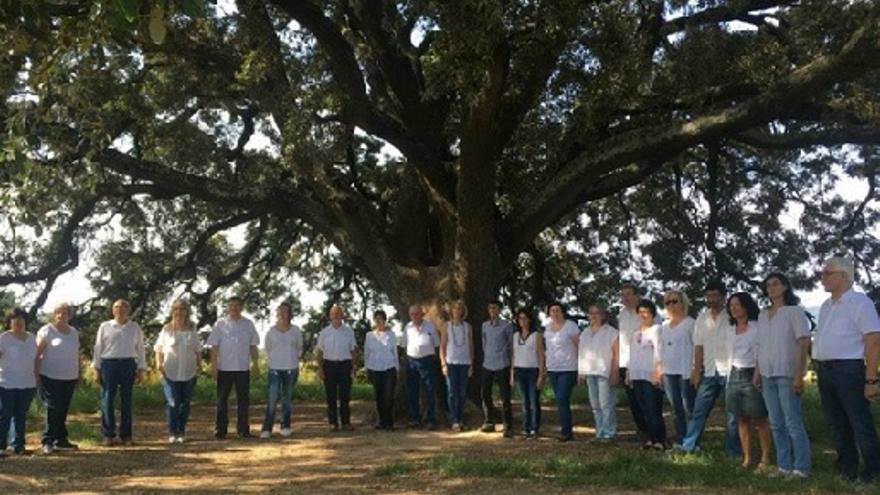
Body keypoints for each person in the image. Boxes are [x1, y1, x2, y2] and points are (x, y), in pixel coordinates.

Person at [813, 256, 880, 483]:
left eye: (827, 273)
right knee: (836, 423)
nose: (822, 277)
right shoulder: (825, 306)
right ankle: (846, 468)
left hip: (849, 370)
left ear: (844, 276)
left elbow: (872, 340)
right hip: (825, 371)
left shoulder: (860, 303)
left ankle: (872, 470)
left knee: (859, 422)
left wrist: (871, 380)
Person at [754, 272, 812, 477]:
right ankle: (783, 465)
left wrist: (799, 375)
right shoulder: (762, 314)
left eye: (776, 284)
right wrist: (757, 372)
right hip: (767, 374)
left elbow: (803, 342)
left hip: (787, 373)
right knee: (776, 422)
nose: (772, 288)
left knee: (792, 421)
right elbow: (759, 345)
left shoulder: (794, 312)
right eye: (768, 285)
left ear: (785, 287)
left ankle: (802, 467)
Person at [680, 281, 740, 456]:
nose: (712, 300)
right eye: (709, 296)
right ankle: (689, 446)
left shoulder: (732, 317)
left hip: (730, 370)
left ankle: (733, 451)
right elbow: (698, 346)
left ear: (723, 297)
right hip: (709, 371)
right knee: (699, 411)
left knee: (732, 415)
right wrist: (696, 370)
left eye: (715, 296)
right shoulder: (702, 318)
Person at [726, 292, 771, 470]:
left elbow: (761, 351)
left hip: (751, 372)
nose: (734, 308)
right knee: (741, 418)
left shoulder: (756, 327)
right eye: (731, 306)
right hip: (734, 374)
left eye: (737, 304)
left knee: (760, 418)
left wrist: (757, 374)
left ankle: (765, 458)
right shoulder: (730, 330)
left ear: (746, 306)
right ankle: (747, 457)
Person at [92, 299, 146, 446]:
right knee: (107, 399)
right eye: (116, 307)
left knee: (126, 401)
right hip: (108, 364)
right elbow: (98, 348)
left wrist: (141, 368)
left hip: (128, 364)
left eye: (123, 307)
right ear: (112, 310)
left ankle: (126, 435)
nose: (119, 310)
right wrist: (96, 369)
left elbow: (140, 348)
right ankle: (108, 434)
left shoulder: (134, 327)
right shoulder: (105, 326)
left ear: (128, 310)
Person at [208, 296, 259, 439]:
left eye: (237, 305)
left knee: (243, 400)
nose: (234, 308)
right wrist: (214, 365)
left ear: (241, 307)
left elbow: (253, 345)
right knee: (221, 400)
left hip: (243, 368)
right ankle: (220, 431)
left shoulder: (248, 324)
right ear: (227, 308)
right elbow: (214, 347)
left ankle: (243, 430)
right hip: (224, 368)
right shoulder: (220, 324)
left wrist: (255, 363)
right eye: (231, 306)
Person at [35, 303, 80, 454]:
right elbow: (37, 353)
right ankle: (47, 440)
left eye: (65, 313)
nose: (61, 315)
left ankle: (61, 439)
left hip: (69, 376)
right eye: (58, 313)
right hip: (49, 376)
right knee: (53, 408)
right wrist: (35, 372)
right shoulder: (47, 330)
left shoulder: (73, 332)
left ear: (69, 315)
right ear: (54, 315)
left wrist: (78, 373)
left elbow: (76, 354)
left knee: (63, 409)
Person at [155, 298, 201, 444]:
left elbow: (198, 350)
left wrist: (199, 365)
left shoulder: (192, 329)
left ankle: (181, 431)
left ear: (187, 312)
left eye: (182, 309)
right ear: (172, 311)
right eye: (176, 309)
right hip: (169, 372)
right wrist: (158, 363)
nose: (178, 312)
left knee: (184, 403)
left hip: (188, 373)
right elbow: (159, 349)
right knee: (172, 402)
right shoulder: (166, 329)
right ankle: (172, 432)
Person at [626, 299, 666, 450]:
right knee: (642, 409)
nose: (643, 315)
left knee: (653, 409)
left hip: (650, 374)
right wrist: (629, 373)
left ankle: (660, 440)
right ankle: (649, 438)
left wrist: (658, 372)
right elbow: (632, 354)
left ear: (652, 314)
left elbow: (659, 351)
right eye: (640, 312)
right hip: (636, 374)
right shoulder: (635, 333)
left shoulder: (657, 329)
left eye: (646, 312)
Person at [658, 290, 696, 446]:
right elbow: (660, 350)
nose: (671, 305)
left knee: (689, 408)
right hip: (668, 371)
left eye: (675, 301)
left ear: (683, 302)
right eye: (668, 302)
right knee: (675, 408)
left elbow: (697, 347)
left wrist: (695, 369)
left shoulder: (690, 323)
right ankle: (681, 439)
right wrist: (659, 370)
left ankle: (693, 440)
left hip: (685, 371)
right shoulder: (663, 326)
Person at [260, 302, 303, 439]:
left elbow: (299, 348)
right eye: (281, 311)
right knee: (272, 399)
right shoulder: (271, 331)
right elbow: (267, 348)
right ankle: (267, 428)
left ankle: (285, 426)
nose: (284, 314)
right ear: (277, 314)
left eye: (286, 311)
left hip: (291, 368)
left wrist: (294, 361)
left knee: (287, 399)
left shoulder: (296, 331)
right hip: (274, 369)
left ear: (290, 314)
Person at [578, 304, 619, 441]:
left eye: (597, 313)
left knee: (606, 404)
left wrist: (615, 372)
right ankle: (599, 432)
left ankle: (609, 432)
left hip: (604, 372)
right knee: (595, 405)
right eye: (591, 313)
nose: (594, 316)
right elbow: (582, 353)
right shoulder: (585, 332)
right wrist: (580, 372)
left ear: (603, 315)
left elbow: (616, 354)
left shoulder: (611, 332)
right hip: (590, 372)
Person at [0, 308, 37, 456]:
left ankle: (19, 445)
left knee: (21, 414)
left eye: (21, 319)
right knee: (5, 414)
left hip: (27, 382)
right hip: (6, 382)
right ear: (9, 322)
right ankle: (1, 445)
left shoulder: (32, 338)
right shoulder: (3, 338)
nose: (19, 322)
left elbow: (36, 359)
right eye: (15, 320)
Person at [315, 304, 358, 432]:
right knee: (331, 396)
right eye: (334, 313)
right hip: (329, 365)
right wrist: (320, 369)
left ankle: (346, 422)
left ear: (342, 315)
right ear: (330, 316)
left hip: (345, 365)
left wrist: (354, 366)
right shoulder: (324, 333)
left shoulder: (349, 331)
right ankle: (333, 423)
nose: (336, 315)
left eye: (339, 313)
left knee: (345, 396)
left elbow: (353, 351)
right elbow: (319, 352)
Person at [618, 283, 649, 440]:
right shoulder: (622, 314)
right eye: (623, 295)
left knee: (645, 398)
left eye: (629, 294)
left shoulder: (647, 312)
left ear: (637, 295)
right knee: (633, 399)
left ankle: (652, 430)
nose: (626, 298)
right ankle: (641, 429)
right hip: (625, 362)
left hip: (643, 363)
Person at [544, 301, 579, 442]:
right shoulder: (547, 328)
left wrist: (581, 367)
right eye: (552, 311)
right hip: (553, 368)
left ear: (563, 311)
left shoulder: (571, 326)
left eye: (557, 310)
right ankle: (565, 428)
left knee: (562, 398)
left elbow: (579, 346)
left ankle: (566, 431)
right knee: (560, 400)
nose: (555, 313)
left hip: (568, 368)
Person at [402, 304, 440, 430]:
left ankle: (430, 419)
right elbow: (404, 345)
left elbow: (437, 344)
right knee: (413, 391)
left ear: (422, 314)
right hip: (412, 361)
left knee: (429, 390)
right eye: (412, 314)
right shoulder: (407, 327)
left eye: (417, 313)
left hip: (427, 361)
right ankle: (414, 419)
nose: (415, 316)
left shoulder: (430, 326)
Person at [480, 301, 514, 437]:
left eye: (494, 308)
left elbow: (511, 346)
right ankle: (489, 421)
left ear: (499, 310)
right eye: (490, 308)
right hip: (487, 364)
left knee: (505, 397)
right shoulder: (484, 325)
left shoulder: (507, 326)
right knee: (485, 394)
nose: (492, 310)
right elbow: (484, 343)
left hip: (502, 364)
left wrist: (511, 365)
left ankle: (508, 426)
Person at [510, 308, 544, 439]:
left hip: (532, 371)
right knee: (524, 402)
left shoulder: (536, 335)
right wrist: (512, 374)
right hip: (519, 370)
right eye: (519, 318)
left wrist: (541, 375)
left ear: (530, 320)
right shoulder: (515, 336)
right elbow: (513, 355)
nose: (522, 321)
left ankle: (535, 428)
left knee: (533, 401)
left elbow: (541, 355)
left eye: (524, 318)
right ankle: (525, 428)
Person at [440, 300, 474, 432]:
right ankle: (454, 419)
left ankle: (460, 419)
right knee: (452, 392)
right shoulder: (446, 326)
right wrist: (443, 363)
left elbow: (471, 346)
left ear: (463, 311)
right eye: (454, 308)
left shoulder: (468, 327)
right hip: (451, 363)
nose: (457, 311)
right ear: (451, 311)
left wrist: (471, 364)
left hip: (465, 364)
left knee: (462, 393)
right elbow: (442, 346)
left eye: (459, 309)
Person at [364, 310, 398, 431]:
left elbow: (395, 352)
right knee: (378, 395)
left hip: (389, 367)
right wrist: (366, 368)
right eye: (376, 319)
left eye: (381, 319)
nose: (379, 321)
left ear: (385, 320)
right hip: (374, 368)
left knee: (388, 396)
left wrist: (397, 368)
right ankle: (381, 421)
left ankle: (389, 422)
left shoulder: (391, 335)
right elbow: (366, 353)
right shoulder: (369, 336)